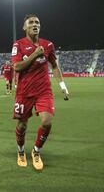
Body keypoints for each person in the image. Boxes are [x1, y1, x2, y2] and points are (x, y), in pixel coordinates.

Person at [11, 14, 69, 170]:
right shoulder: (18, 45)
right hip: (24, 92)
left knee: (47, 121)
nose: (35, 24)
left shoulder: (48, 44)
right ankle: (21, 150)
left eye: (37, 22)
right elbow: (16, 67)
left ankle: (36, 151)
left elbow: (54, 66)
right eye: (31, 22)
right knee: (22, 126)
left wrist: (63, 86)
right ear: (24, 27)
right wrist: (35, 54)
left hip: (44, 90)